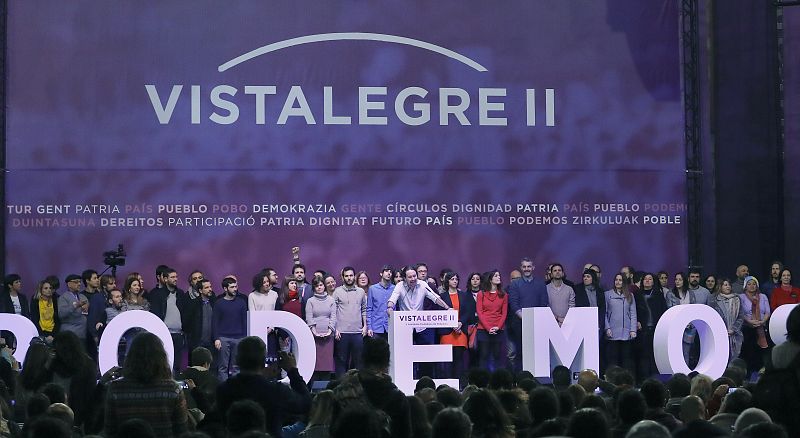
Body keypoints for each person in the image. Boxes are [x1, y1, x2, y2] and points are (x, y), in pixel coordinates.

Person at [215, 337, 311, 438]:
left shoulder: (223, 390)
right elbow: (305, 403)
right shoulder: (276, 391)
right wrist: (292, 371)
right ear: (263, 360)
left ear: (237, 359)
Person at [104, 332, 189, 438]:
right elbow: (182, 432)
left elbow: (109, 431)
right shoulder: (173, 389)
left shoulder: (115, 388)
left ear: (130, 357)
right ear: (161, 357)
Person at [387, 265, 451, 378]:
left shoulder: (423, 284)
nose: (413, 279)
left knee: (425, 355)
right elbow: (392, 299)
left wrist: (447, 308)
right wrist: (390, 308)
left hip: (421, 326)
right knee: (404, 356)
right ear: (405, 278)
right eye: (410, 277)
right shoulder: (399, 286)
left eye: (414, 276)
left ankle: (424, 381)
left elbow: (435, 298)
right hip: (405, 327)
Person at [507, 258, 549, 371]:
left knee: (537, 352)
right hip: (519, 324)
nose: (526, 269)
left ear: (533, 268)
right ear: (521, 268)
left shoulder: (540, 283)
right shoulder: (515, 284)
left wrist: (534, 318)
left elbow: (543, 302)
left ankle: (536, 378)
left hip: (537, 323)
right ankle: (519, 379)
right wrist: (525, 319)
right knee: (520, 352)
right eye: (524, 267)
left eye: (529, 266)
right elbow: (514, 304)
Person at [49, 331, 97, 429]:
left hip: (76, 418)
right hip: (57, 416)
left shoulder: (86, 366)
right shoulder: (53, 364)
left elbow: (89, 397)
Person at [148, 268, 191, 374]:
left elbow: (185, 312)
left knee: (177, 362)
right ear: (165, 279)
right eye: (172, 277)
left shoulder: (180, 293)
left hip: (178, 333)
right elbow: (156, 313)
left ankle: (174, 385)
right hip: (165, 332)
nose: (175, 279)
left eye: (176, 277)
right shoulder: (158, 294)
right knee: (163, 361)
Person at [333, 267, 367, 376]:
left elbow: (364, 309)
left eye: (351, 275)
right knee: (342, 363)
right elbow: (333, 311)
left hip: (357, 333)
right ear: (343, 277)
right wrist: (335, 329)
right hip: (342, 333)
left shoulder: (361, 291)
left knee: (359, 364)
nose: (349, 278)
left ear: (354, 276)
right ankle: (341, 389)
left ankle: (359, 389)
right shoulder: (337, 292)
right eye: (346, 276)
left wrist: (365, 326)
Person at [634, 272, 668, 382]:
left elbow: (664, 311)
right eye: (645, 279)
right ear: (642, 281)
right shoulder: (637, 295)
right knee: (643, 355)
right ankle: (643, 379)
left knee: (655, 355)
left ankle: (655, 378)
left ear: (654, 281)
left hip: (656, 329)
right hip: (642, 329)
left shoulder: (659, 295)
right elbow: (633, 310)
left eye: (650, 279)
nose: (647, 281)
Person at [213, 277, 248, 381]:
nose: (235, 289)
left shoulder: (241, 302)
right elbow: (215, 322)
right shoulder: (219, 303)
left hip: (239, 338)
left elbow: (244, 321)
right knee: (222, 366)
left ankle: (236, 390)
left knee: (237, 366)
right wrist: (216, 338)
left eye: (235, 286)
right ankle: (224, 389)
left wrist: (245, 338)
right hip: (223, 338)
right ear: (225, 289)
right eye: (232, 287)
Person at [438, 271, 469, 380]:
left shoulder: (464, 295)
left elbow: (467, 312)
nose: (455, 281)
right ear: (447, 281)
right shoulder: (442, 297)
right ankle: (448, 384)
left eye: (456, 279)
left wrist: (460, 323)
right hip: (447, 331)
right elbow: (440, 314)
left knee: (459, 359)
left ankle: (458, 384)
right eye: (452, 279)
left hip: (460, 331)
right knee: (447, 361)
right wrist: (452, 324)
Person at [476, 270, 508, 371]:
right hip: (484, 329)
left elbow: (504, 313)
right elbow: (480, 312)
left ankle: (497, 382)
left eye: (499, 275)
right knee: (484, 355)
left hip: (498, 328)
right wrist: (488, 328)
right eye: (496, 276)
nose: (499, 277)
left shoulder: (504, 295)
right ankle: (482, 382)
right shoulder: (481, 294)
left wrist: (498, 327)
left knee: (497, 355)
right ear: (490, 279)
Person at [604, 273, 637, 371]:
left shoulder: (630, 295)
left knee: (626, 360)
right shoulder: (607, 294)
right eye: (616, 280)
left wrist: (633, 329)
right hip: (612, 332)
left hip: (626, 333)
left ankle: (626, 382)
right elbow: (604, 313)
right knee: (613, 360)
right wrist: (607, 328)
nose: (618, 282)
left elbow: (633, 313)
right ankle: (613, 381)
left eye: (620, 280)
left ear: (624, 282)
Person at [740, 276, 770, 375]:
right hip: (748, 329)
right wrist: (750, 321)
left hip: (761, 327)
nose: (752, 286)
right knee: (749, 354)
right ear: (745, 286)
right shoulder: (741, 297)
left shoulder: (763, 296)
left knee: (761, 354)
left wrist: (761, 321)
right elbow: (741, 313)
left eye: (754, 284)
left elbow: (767, 312)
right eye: (749, 284)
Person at [305, 277, 336, 377]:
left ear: (324, 286)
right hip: (314, 336)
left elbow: (333, 316)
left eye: (321, 285)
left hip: (328, 336)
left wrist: (329, 331)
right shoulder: (310, 301)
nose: (319, 287)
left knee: (327, 364)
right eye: (317, 286)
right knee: (315, 363)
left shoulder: (331, 300)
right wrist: (315, 332)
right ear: (314, 288)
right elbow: (309, 318)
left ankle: (326, 388)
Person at [709, 278, 744, 362]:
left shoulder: (737, 299)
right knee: (721, 360)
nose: (728, 287)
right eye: (725, 285)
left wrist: (733, 329)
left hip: (734, 334)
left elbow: (741, 316)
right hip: (720, 334)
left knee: (734, 359)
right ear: (720, 287)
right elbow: (712, 317)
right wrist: (722, 330)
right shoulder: (713, 299)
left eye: (729, 285)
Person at [366, 265, 394, 340]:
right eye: (386, 271)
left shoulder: (395, 289)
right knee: (376, 351)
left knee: (390, 351)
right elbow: (369, 309)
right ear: (381, 274)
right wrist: (369, 327)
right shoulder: (372, 289)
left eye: (390, 272)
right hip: (376, 327)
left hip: (390, 327)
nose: (389, 273)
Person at [57, 274, 88, 341]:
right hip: (69, 334)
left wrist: (86, 308)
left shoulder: (83, 297)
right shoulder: (63, 298)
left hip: (82, 334)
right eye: (76, 282)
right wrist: (75, 306)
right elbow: (61, 314)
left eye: (80, 282)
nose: (79, 284)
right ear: (69, 284)